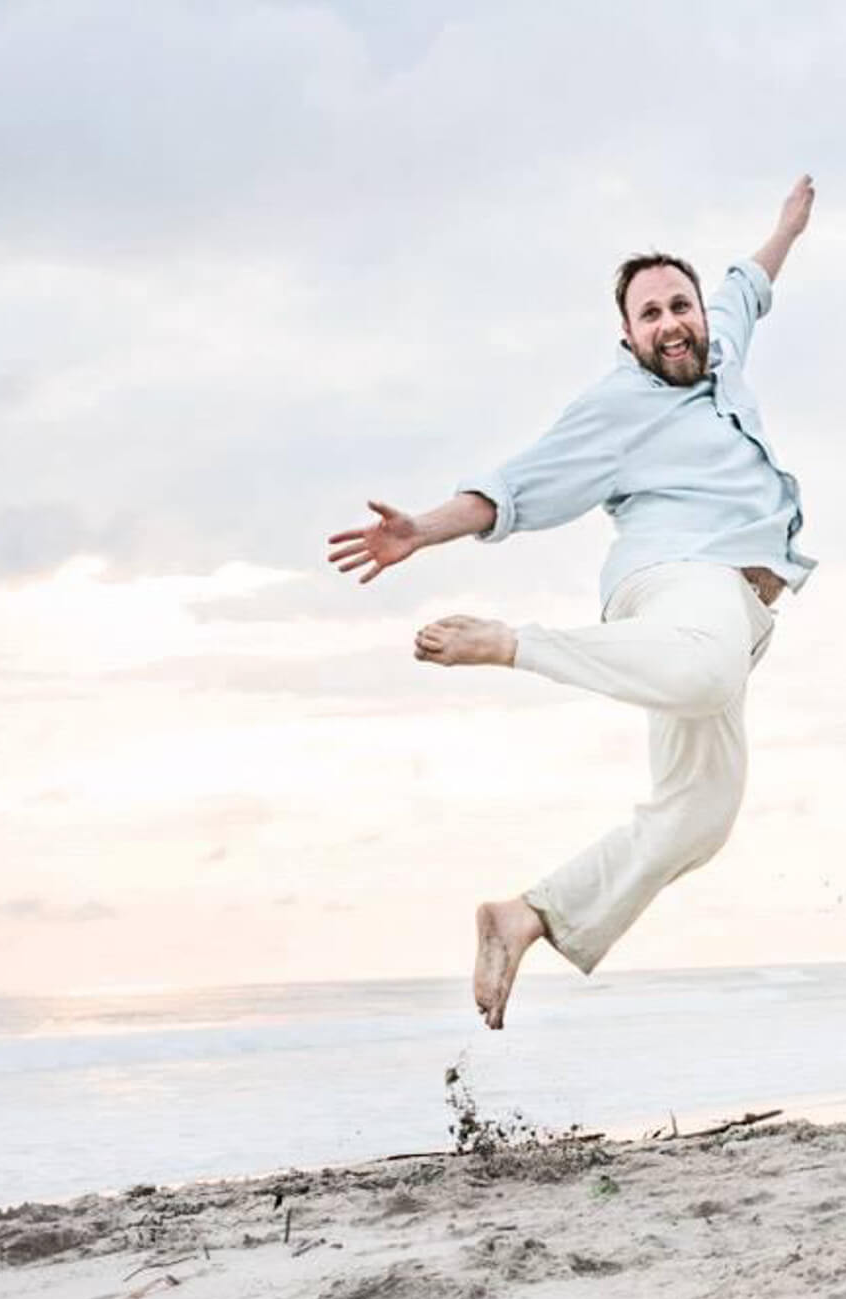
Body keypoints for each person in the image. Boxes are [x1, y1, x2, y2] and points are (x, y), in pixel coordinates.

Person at [326, 176, 818, 1029]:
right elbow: (515, 486)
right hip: (674, 583)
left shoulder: (724, 345)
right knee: (705, 672)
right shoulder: (617, 404)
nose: (671, 323)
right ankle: (513, 642)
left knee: (702, 812)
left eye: (680, 306)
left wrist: (786, 226)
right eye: (650, 315)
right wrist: (422, 530)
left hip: (733, 611)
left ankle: (526, 915)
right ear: (627, 337)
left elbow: (750, 283)